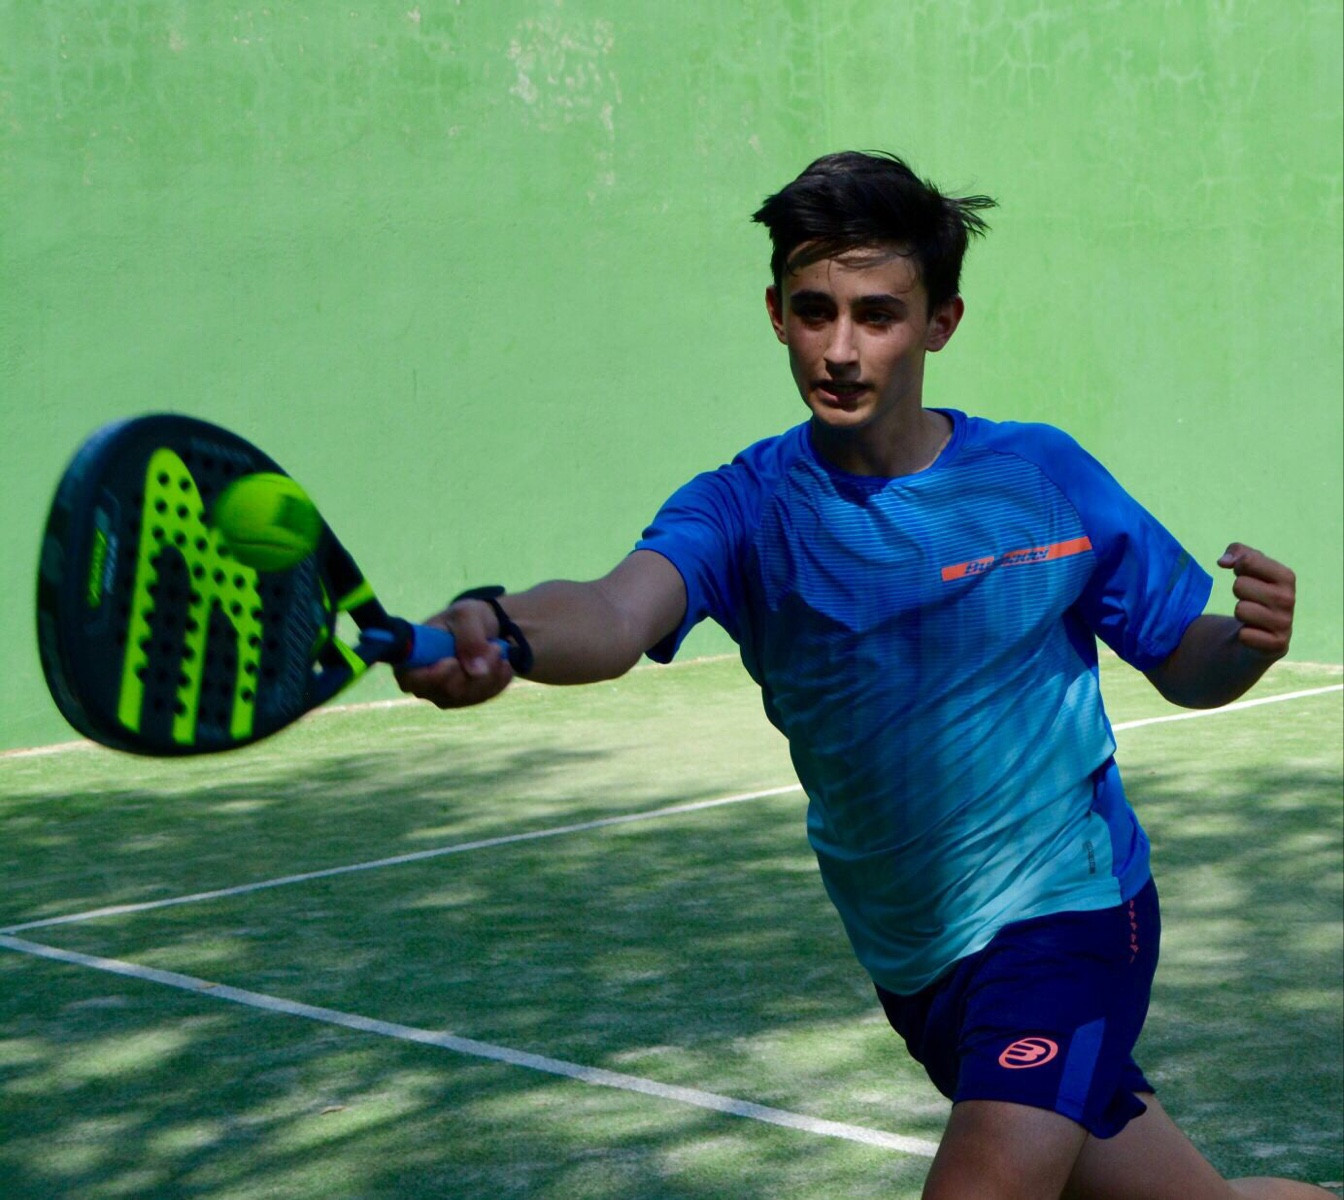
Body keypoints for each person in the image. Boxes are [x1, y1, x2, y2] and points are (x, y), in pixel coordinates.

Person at [396, 152, 1324, 1200]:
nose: (839, 349)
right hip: (917, 961)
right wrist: (500, 627)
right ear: (776, 314)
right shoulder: (743, 507)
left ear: (940, 323)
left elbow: (1181, 659)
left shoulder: (1040, 477)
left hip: (1068, 912)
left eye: (877, 315)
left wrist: (1245, 646)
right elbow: (613, 614)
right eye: (814, 311)